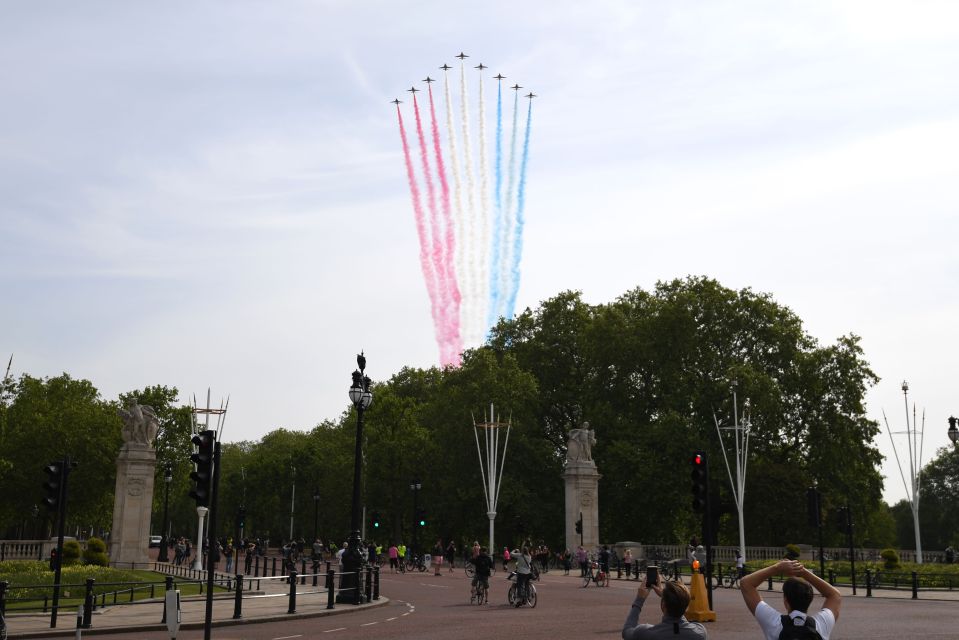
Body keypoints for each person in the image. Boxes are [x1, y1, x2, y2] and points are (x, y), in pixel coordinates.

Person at [740, 559, 841, 640]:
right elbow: (835, 595)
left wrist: (777, 567)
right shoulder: (821, 624)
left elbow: (746, 583)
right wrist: (803, 571)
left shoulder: (774, 623)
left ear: (786, 601)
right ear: (810, 599)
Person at [622, 573, 707, 639]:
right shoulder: (699, 632)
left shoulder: (645, 633)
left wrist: (639, 599)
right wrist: (667, 596)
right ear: (686, 605)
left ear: (663, 606)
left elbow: (627, 631)